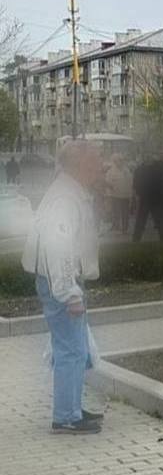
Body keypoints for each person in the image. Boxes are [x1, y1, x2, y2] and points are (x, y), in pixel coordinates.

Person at [21, 141, 104, 434]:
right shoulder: (66, 198)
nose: (100, 167)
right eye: (95, 161)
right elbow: (58, 247)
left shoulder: (68, 192)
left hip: (59, 281)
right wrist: (70, 293)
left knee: (73, 349)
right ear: (80, 165)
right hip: (60, 284)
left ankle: (70, 408)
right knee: (71, 351)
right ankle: (67, 417)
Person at [104, 154, 133, 235]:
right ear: (114, 161)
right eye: (118, 160)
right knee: (116, 212)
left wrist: (131, 195)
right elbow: (107, 184)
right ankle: (116, 227)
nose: (120, 162)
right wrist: (108, 196)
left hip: (125, 196)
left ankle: (125, 229)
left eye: (121, 160)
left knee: (125, 213)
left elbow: (130, 183)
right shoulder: (110, 171)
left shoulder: (127, 170)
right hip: (115, 196)